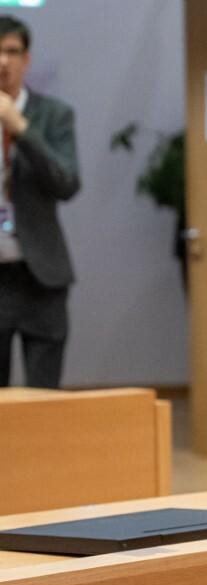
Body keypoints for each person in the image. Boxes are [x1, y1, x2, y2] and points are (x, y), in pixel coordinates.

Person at [0, 15, 80, 388]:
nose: (3, 62)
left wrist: (22, 130)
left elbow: (66, 183)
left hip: (41, 277)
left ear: (26, 59)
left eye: (11, 52)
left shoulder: (54, 116)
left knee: (45, 403)